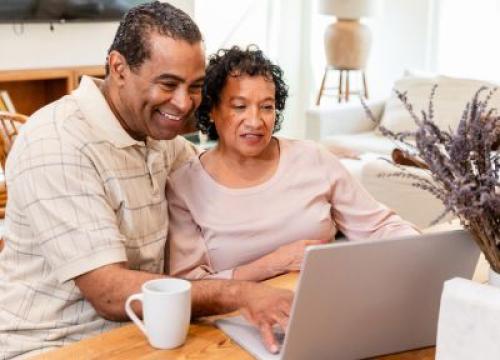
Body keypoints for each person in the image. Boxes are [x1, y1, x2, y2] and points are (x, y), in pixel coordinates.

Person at [0, 3, 291, 358]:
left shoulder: (161, 138)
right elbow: (108, 292)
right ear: (118, 67)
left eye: (195, 86)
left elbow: (224, 202)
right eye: (168, 84)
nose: (184, 103)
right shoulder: (57, 142)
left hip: (147, 331)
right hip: (52, 346)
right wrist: (240, 292)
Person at [167, 46, 420, 281]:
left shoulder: (313, 158)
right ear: (212, 110)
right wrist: (273, 264)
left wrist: (421, 248)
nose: (255, 121)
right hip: (236, 317)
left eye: (267, 106)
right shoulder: (184, 186)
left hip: (324, 301)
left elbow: (379, 226)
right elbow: (189, 285)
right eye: (240, 107)